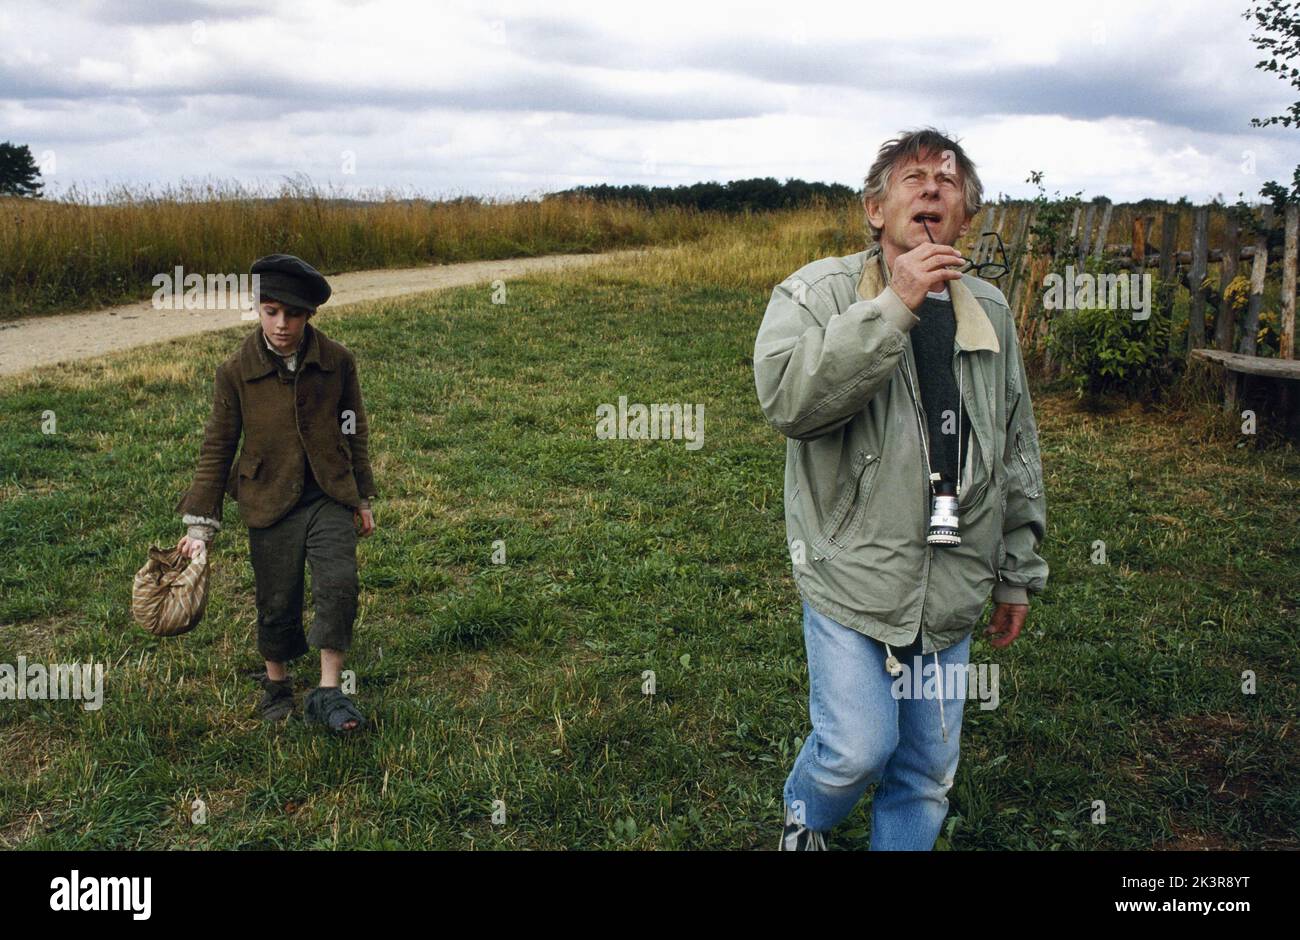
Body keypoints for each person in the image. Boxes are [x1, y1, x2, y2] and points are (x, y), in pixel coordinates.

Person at [753, 128, 1048, 850]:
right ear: (875, 210)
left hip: (953, 575)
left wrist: (1015, 571)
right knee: (856, 749)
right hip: (853, 570)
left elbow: (1014, 444)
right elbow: (791, 403)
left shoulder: (990, 311)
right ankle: (804, 818)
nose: (932, 189)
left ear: (965, 217)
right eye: (914, 177)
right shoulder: (816, 292)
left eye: (949, 183)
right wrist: (895, 306)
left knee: (924, 768)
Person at [175, 253, 378, 731]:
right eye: (270, 311)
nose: (281, 324)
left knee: (339, 584)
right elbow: (218, 446)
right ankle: (278, 681)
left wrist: (362, 497)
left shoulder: (338, 362)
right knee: (276, 596)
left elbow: (355, 432)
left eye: (293, 314)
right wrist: (200, 525)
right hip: (267, 499)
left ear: (310, 315)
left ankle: (328, 692)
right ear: (258, 310)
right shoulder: (235, 371)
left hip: (328, 494)